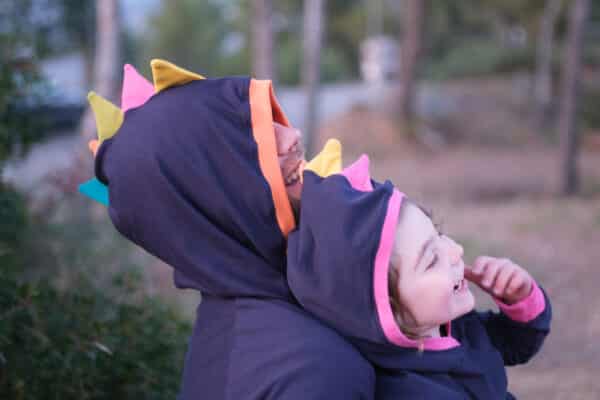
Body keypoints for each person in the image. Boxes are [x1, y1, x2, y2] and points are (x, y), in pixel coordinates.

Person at [82, 60, 375, 399]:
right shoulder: (312, 371)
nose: (293, 135)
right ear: (215, 195)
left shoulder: (238, 333)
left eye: (271, 120)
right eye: (255, 137)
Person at [286, 153, 552, 399]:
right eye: (431, 259)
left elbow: (517, 345)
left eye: (438, 233)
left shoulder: (454, 326)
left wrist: (521, 297)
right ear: (388, 310)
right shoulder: (403, 389)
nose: (456, 250)